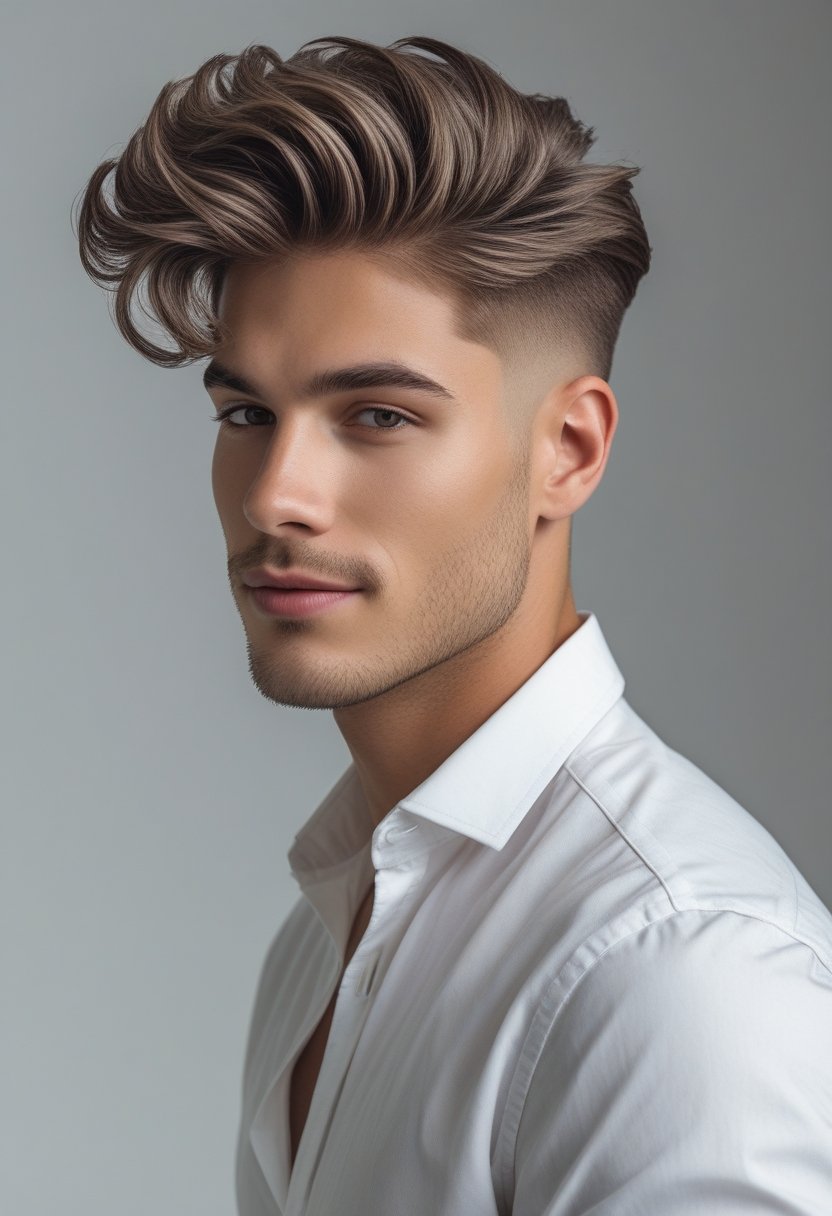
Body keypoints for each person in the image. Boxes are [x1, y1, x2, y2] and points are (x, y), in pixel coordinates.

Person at [74, 33, 832, 1216]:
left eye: (376, 414)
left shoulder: (680, 971)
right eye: (247, 414)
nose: (276, 496)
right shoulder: (326, 934)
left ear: (566, 450)